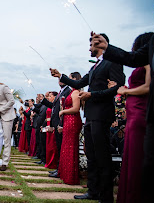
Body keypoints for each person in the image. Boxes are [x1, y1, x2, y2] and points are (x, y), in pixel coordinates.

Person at [50, 33, 125, 202]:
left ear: (99, 44)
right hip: (90, 116)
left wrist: (92, 94)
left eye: (91, 44)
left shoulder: (112, 62)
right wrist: (60, 76)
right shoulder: (94, 67)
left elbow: (117, 87)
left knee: (102, 156)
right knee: (91, 155)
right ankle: (92, 191)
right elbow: (78, 83)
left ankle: (105, 197)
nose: (89, 48)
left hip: (102, 114)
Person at [93, 27, 154, 202]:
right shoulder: (142, 60)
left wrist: (126, 91)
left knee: (138, 159)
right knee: (131, 159)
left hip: (140, 113)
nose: (133, 50)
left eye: (135, 46)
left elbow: (148, 86)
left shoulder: (148, 60)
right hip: (133, 114)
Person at [40, 81, 71, 178]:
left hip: (60, 123)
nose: (60, 81)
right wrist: (43, 100)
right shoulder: (61, 92)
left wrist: (60, 124)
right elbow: (54, 107)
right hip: (56, 123)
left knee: (59, 147)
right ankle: (58, 168)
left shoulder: (67, 91)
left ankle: (60, 169)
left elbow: (60, 108)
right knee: (58, 147)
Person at [58, 72, 83, 185]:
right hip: (68, 121)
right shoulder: (72, 92)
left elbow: (76, 108)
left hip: (72, 121)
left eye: (70, 77)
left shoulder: (76, 92)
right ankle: (64, 173)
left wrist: (63, 111)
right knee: (66, 147)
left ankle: (70, 176)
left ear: (74, 79)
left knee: (70, 148)